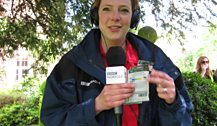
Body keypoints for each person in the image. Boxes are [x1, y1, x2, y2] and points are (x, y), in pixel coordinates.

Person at [40, 0, 193, 126]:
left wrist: (172, 104)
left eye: (124, 10)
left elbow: (185, 120)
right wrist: (95, 106)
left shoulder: (159, 61)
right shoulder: (72, 63)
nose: (115, 17)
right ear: (96, 15)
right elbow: (52, 118)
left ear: (133, 18)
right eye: (107, 9)